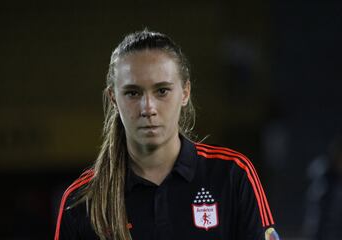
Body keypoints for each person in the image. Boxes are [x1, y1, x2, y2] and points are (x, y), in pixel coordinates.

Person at [54, 29, 280, 240]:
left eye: (162, 91)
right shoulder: (82, 200)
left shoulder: (232, 174)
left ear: (185, 93)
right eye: (133, 93)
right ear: (113, 98)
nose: (148, 108)